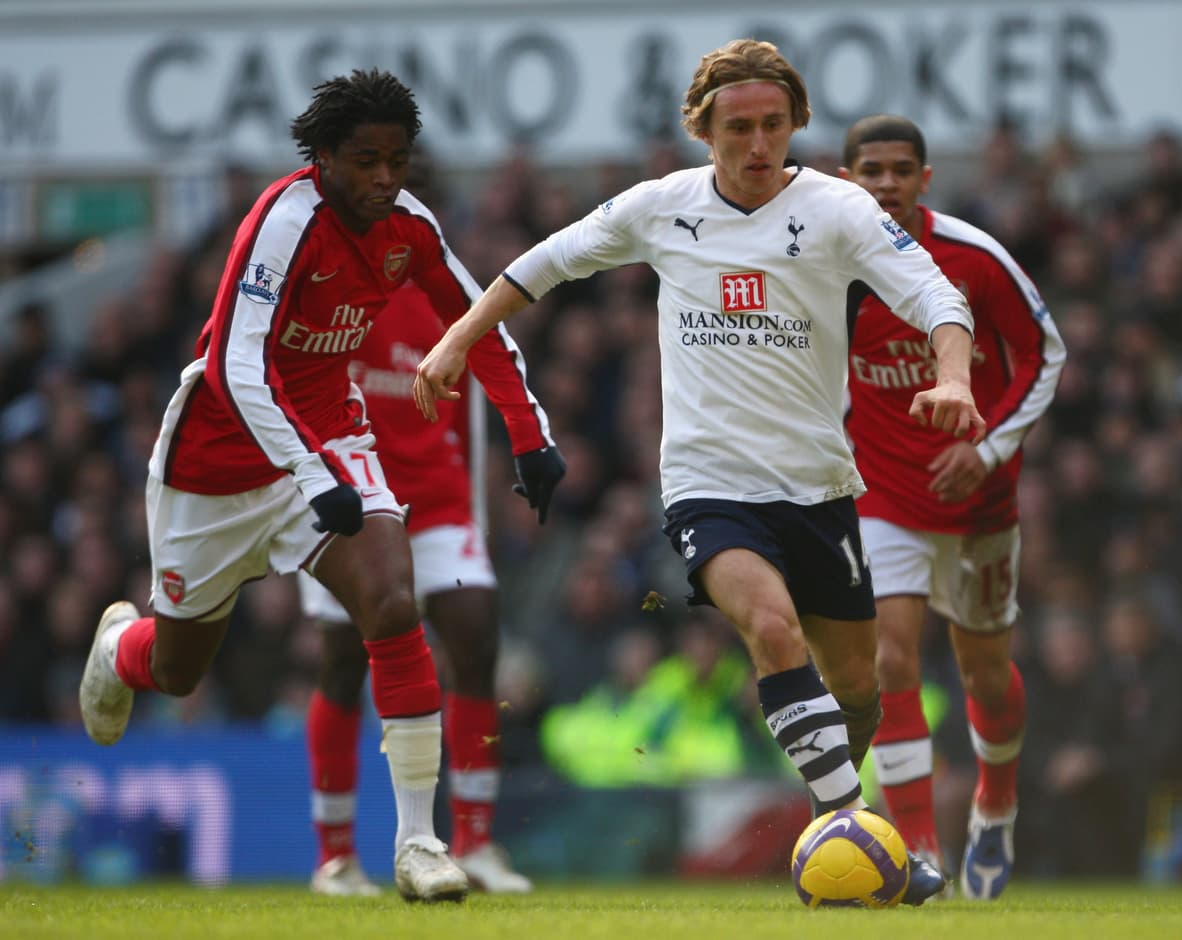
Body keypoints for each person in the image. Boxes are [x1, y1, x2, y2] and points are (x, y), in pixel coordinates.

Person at [414, 39, 987, 905]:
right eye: (737, 128)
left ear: (795, 124)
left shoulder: (840, 210)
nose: (756, 145)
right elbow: (540, 265)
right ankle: (860, 841)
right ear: (703, 130)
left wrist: (952, 376)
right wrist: (457, 338)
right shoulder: (660, 207)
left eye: (772, 126)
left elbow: (939, 297)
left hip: (822, 488)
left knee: (858, 690)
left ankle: (838, 823)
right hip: (708, 485)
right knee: (770, 629)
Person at [77, 69, 563, 903]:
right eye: (366, 160)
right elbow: (234, 364)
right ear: (324, 157)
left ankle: (418, 844)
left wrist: (530, 433)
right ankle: (121, 649)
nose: (384, 178)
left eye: (398, 160)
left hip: (331, 435)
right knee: (180, 666)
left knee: (392, 605)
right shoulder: (282, 221)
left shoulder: (409, 225)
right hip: (217, 462)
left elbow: (476, 319)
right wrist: (305, 473)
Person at [840, 114, 1066, 899]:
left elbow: (1045, 353)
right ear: (847, 181)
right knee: (889, 659)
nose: (888, 183)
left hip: (978, 503)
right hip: (881, 499)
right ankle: (916, 851)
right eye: (872, 170)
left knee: (988, 675)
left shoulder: (974, 257)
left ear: (925, 179)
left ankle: (995, 809)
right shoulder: (827, 267)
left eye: (902, 169)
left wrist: (988, 449)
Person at [298, 258, 560, 895]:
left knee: (476, 639)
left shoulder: (448, 296)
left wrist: (475, 515)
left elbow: (472, 412)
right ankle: (335, 858)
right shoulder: (329, 295)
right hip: (350, 501)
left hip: (440, 503)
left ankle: (474, 841)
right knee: (341, 663)